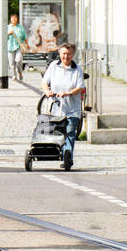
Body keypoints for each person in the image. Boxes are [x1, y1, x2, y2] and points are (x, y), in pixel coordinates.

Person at [42, 42, 85, 171]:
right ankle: (58, 153)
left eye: (69, 54)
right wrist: (47, 91)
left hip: (72, 108)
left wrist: (68, 93)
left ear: (73, 55)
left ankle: (67, 157)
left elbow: (80, 87)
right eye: (64, 54)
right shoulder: (53, 66)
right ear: (60, 54)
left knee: (70, 133)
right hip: (56, 107)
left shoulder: (77, 69)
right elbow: (45, 81)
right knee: (57, 133)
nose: (66, 57)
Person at [7, 14, 25, 81]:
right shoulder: (8, 27)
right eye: (12, 19)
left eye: (15, 19)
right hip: (10, 47)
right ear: (10, 20)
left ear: (17, 19)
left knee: (19, 60)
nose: (13, 20)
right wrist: (9, 33)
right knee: (11, 63)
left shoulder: (20, 27)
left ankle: (20, 73)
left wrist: (27, 45)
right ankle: (14, 75)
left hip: (18, 46)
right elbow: (4, 37)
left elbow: (24, 37)